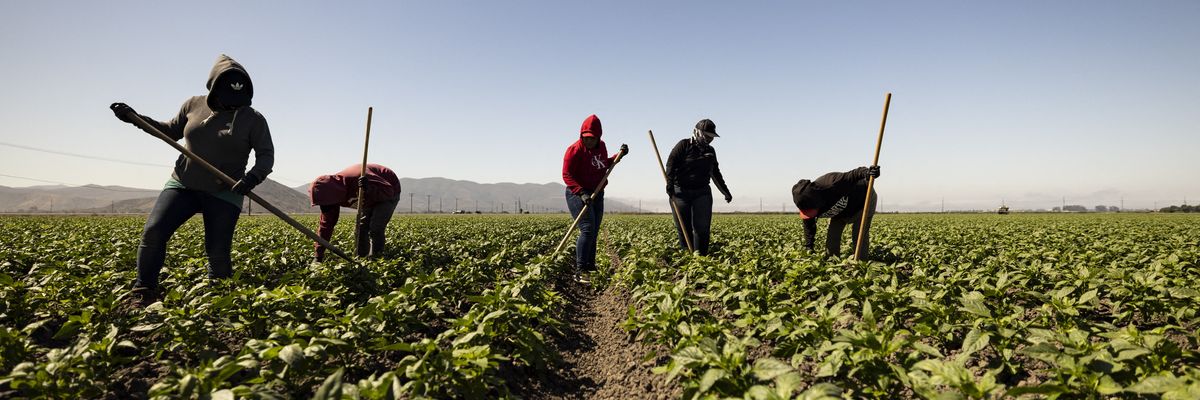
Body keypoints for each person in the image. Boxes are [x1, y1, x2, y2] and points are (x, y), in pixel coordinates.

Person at [110, 54, 274, 305]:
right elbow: (169, 131)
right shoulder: (193, 105)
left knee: (217, 252)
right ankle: (143, 290)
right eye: (226, 101)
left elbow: (266, 156)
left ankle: (219, 301)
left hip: (226, 190)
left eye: (236, 102)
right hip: (184, 184)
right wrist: (136, 118)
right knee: (153, 233)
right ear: (213, 89)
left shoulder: (253, 119)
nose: (231, 106)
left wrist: (251, 179)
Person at [562, 114, 627, 274]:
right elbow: (566, 175)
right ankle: (580, 269)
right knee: (587, 228)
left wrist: (618, 156)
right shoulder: (574, 150)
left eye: (592, 138)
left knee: (595, 229)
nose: (589, 141)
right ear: (581, 136)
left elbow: (603, 164)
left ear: (598, 137)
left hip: (597, 191)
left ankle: (590, 266)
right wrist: (581, 192)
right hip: (577, 193)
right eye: (586, 137)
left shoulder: (601, 146)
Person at [664, 118, 731, 255]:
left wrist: (725, 192)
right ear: (698, 132)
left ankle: (701, 259)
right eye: (707, 136)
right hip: (680, 192)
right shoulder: (683, 145)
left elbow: (716, 173)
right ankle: (687, 258)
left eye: (712, 137)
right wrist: (670, 185)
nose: (709, 139)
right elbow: (670, 164)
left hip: (702, 193)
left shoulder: (710, 151)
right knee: (684, 228)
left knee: (702, 228)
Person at [308, 163, 402, 261]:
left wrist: (368, 189)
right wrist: (318, 256)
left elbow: (388, 191)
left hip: (387, 189)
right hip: (369, 196)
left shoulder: (357, 178)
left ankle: (378, 260)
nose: (325, 207)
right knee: (361, 228)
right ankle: (362, 259)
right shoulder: (331, 199)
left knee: (376, 227)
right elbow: (326, 226)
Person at [791, 165, 881, 259]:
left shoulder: (832, 182)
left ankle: (861, 264)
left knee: (859, 235)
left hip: (863, 199)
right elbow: (809, 227)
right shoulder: (806, 205)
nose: (810, 215)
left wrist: (868, 173)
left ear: (817, 201)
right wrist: (809, 247)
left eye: (810, 210)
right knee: (832, 240)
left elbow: (855, 173)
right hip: (840, 211)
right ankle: (832, 262)